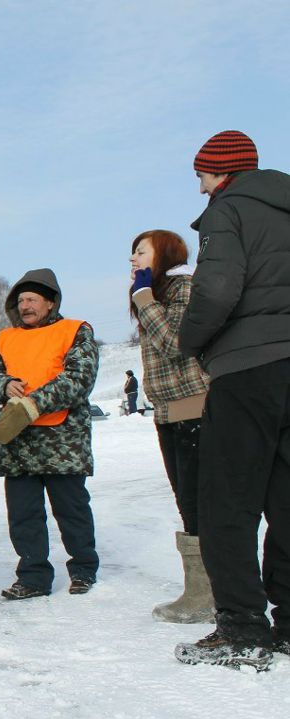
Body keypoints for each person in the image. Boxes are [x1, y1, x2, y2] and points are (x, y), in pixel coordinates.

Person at [174, 130, 290, 669]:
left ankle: (242, 626)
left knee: (226, 501)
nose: (200, 189)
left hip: (248, 368)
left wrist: (191, 341)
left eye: (201, 176)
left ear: (222, 172)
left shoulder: (229, 210)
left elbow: (218, 290)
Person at [0, 269, 100, 599]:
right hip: (18, 446)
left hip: (64, 443)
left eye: (32, 299)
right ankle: (33, 577)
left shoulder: (75, 331)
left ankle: (84, 570)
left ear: (50, 302)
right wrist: (3, 385)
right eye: (20, 300)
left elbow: (79, 379)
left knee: (72, 511)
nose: (25, 305)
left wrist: (33, 402)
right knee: (24, 516)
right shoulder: (2, 338)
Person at [128, 230, 213, 623]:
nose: (133, 259)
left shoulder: (184, 287)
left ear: (164, 253)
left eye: (140, 251)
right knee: (187, 503)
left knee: (201, 504)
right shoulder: (158, 293)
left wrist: (144, 298)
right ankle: (202, 589)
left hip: (195, 408)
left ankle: (209, 594)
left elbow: (176, 343)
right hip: (168, 412)